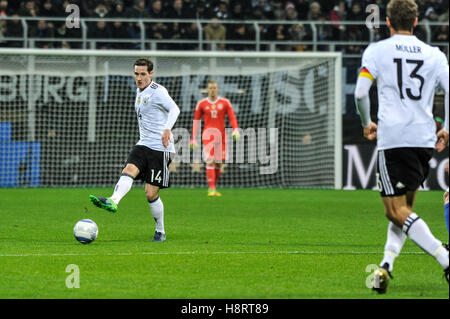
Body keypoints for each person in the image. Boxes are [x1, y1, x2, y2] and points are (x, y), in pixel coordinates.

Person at [354, 0, 449, 293]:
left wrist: (366, 121)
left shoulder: (377, 51)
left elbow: (360, 92)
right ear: (417, 22)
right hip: (423, 140)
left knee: (394, 211)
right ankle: (386, 265)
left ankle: (446, 259)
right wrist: (446, 127)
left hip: (393, 138)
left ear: (388, 22)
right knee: (405, 209)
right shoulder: (435, 55)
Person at [89, 58, 180, 242]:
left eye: (143, 74)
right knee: (128, 170)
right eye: (136, 74)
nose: (139, 78)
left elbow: (175, 109)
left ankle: (160, 231)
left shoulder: (158, 91)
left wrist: (167, 129)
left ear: (151, 74)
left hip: (160, 149)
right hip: (143, 143)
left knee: (150, 193)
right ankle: (113, 200)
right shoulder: (139, 92)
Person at [190, 80, 239, 197]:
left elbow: (232, 116)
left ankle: (213, 187)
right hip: (208, 137)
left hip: (221, 137)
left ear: (217, 89)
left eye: (214, 88)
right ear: (207, 89)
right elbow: (196, 121)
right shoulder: (201, 103)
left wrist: (235, 129)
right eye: (210, 88)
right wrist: (193, 138)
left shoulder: (225, 102)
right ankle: (212, 189)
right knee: (210, 160)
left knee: (219, 164)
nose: (212, 90)